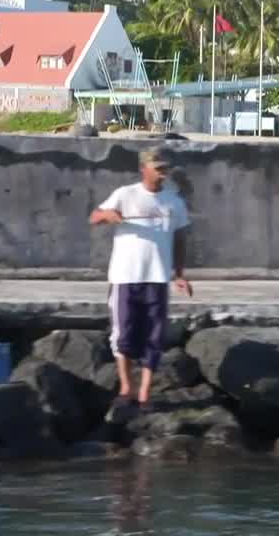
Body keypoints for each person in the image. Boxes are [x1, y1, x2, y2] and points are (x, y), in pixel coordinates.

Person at [89, 147, 192, 410]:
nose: (163, 174)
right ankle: (126, 387)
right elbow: (95, 217)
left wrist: (179, 275)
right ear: (143, 169)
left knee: (154, 337)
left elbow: (180, 240)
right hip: (125, 276)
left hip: (157, 278)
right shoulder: (125, 194)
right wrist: (108, 215)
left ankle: (144, 392)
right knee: (123, 334)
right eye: (158, 169)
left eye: (166, 169)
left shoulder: (174, 202)